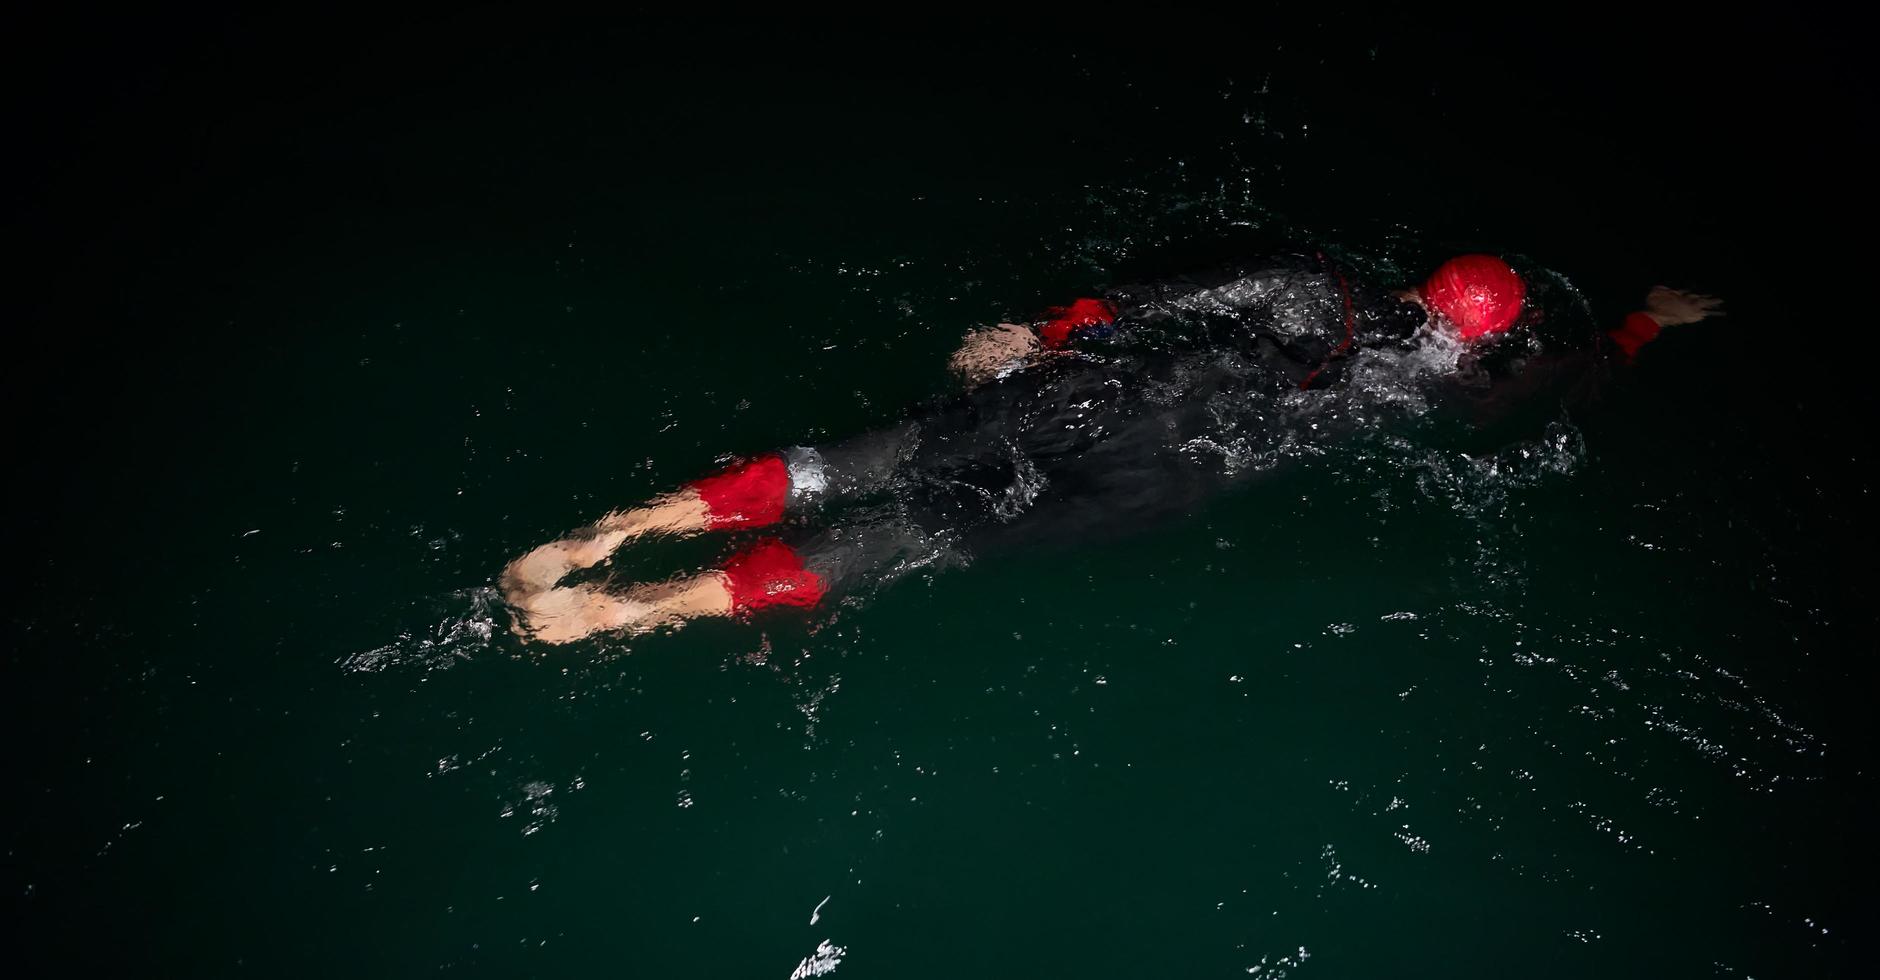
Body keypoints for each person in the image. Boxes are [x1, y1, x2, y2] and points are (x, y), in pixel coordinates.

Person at [500, 247, 1721, 644]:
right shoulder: (1447, 394)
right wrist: (1638, 322)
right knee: (923, 530)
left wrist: (1046, 330)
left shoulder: (1314, 295)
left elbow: (1165, 297)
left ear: (1418, 281)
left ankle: (611, 535)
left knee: (879, 459)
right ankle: (627, 614)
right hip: (1170, 478)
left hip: (1126, 394)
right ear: (1479, 339)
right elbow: (1580, 374)